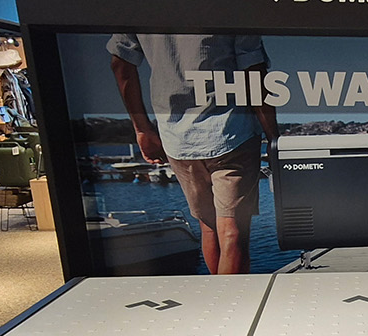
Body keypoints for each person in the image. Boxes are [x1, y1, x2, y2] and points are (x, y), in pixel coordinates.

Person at [108, 34, 278, 275]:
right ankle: (232, 299)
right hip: (232, 132)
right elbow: (254, 73)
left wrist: (142, 129)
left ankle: (220, 296)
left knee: (209, 228)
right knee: (232, 233)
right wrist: (274, 138)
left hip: (178, 138)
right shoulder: (234, 9)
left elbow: (121, 64)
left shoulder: (138, 10)